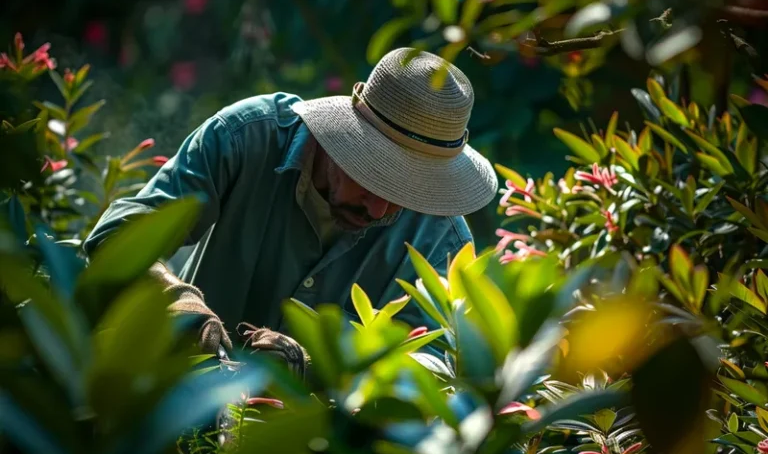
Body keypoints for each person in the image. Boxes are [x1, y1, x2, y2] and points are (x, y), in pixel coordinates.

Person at [82, 47, 498, 375]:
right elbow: (117, 237)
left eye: (407, 193)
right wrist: (177, 302)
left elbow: (435, 369)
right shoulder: (246, 139)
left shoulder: (440, 239)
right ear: (343, 139)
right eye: (373, 177)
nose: (379, 208)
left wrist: (319, 367)